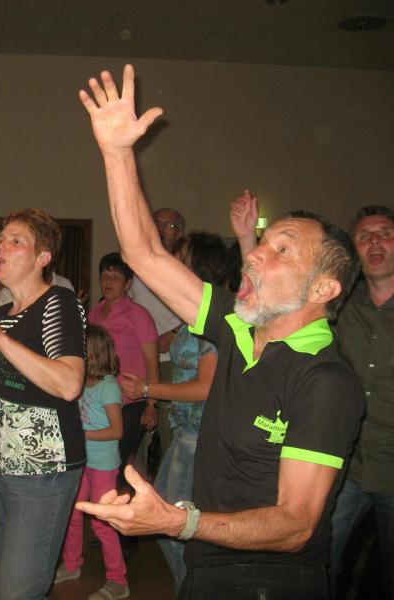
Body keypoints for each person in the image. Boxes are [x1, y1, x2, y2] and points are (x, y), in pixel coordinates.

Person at [75, 65, 363, 599]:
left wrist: (179, 522)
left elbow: (296, 523)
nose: (254, 254)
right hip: (208, 569)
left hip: (270, 582)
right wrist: (116, 153)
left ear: (324, 288)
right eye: (261, 243)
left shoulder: (324, 381)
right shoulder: (237, 326)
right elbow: (144, 253)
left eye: (282, 250)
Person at [0, 207, 86, 600]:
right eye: (1, 239)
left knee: (17, 591)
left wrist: (0, 341)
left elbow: (69, 383)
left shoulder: (59, 303)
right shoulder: (2, 315)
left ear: (43, 258)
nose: (1, 247)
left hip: (42, 472)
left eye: (16, 241)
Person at [119, 232, 229, 593]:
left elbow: (205, 387)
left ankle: (195, 589)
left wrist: (147, 390)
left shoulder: (212, 322)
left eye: (181, 258)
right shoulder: (195, 314)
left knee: (171, 521)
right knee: (173, 520)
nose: (175, 264)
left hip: (199, 436)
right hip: (186, 433)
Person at [328, 205, 394, 599]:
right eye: (364, 236)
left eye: (385, 232)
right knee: (321, 562)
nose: (375, 242)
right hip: (347, 466)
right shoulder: (340, 305)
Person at [56, 324, 129, 600]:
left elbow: (117, 431)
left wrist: (82, 434)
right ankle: (72, 564)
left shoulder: (108, 386)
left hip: (103, 466)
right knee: (72, 515)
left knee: (102, 523)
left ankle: (118, 580)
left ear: (91, 354)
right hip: (81, 461)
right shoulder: (79, 382)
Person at [88, 252, 158, 484]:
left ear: (128, 284)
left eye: (116, 277)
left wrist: (151, 404)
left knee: (117, 466)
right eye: (104, 276)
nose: (108, 282)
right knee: (98, 463)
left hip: (129, 401)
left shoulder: (137, 314)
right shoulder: (94, 313)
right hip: (97, 401)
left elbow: (152, 361)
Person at [128, 207, 186, 461]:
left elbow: (199, 310)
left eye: (168, 225)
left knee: (170, 430)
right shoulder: (137, 263)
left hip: (173, 361)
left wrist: (174, 333)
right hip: (140, 360)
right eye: (157, 222)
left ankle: (171, 482)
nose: (161, 228)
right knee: (137, 428)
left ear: (179, 233)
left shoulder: (183, 267)